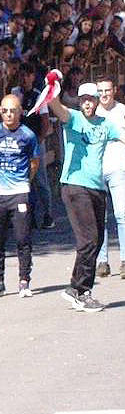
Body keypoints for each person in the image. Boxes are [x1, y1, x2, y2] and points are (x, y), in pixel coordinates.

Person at [46, 74, 125, 312]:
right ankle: (82, 290)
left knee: (97, 239)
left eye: (91, 100)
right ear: (79, 102)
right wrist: (52, 89)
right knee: (88, 239)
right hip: (75, 185)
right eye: (84, 100)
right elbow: (56, 107)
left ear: (97, 101)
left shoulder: (105, 124)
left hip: (96, 187)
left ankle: (76, 289)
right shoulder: (74, 119)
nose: (88, 104)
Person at [0, 95, 40, 299]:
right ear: (0, 111)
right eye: (5, 110)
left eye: (13, 110)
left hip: (19, 192)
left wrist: (24, 182)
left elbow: (34, 162)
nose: (9, 114)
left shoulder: (28, 135)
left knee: (23, 238)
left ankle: (24, 280)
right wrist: (0, 177)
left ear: (20, 112)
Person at [11, 63, 56, 229]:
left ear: (32, 77)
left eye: (27, 75)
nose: (24, 78)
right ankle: (22, 215)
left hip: (34, 141)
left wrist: (39, 141)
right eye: (22, 75)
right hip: (17, 142)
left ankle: (48, 214)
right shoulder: (14, 93)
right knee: (19, 178)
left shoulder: (38, 96)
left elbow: (44, 121)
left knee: (40, 179)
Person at [95, 76, 125, 278]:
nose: (104, 95)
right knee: (100, 218)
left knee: (122, 215)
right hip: (97, 171)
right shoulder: (92, 112)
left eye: (107, 90)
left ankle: (124, 260)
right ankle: (102, 261)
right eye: (100, 91)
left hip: (118, 167)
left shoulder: (122, 111)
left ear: (114, 90)